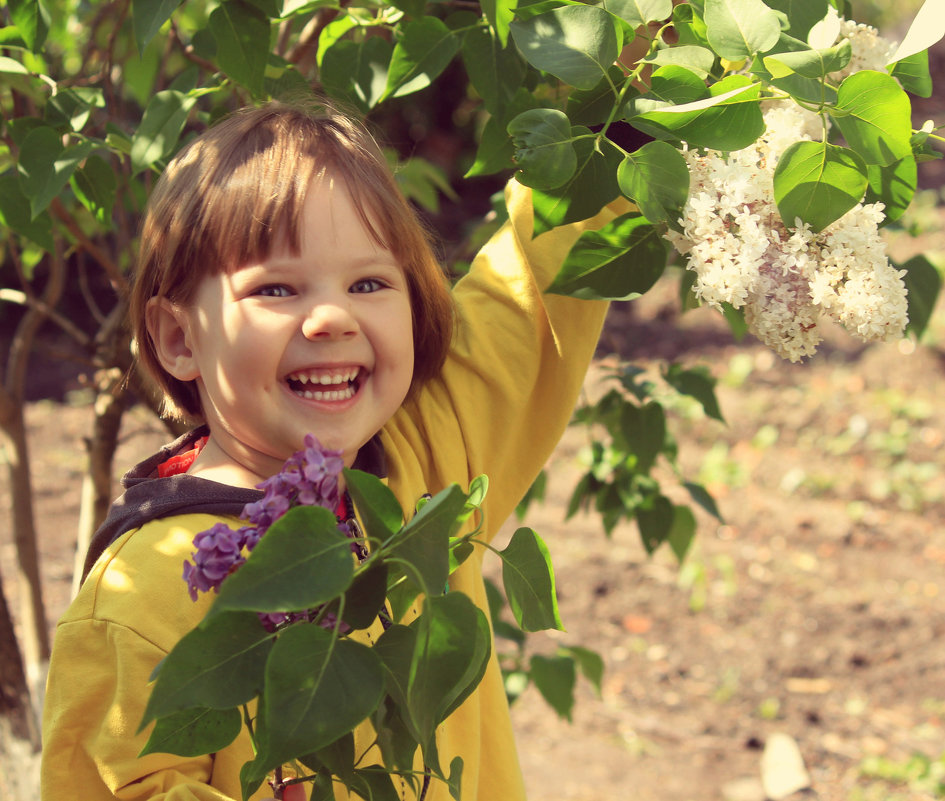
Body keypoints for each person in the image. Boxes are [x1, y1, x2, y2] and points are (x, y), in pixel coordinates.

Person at [41, 100, 628, 800]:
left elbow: (529, 288)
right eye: (277, 288)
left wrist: (618, 101)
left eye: (369, 283)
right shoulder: (142, 598)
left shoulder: (428, 459)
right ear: (178, 338)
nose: (331, 317)